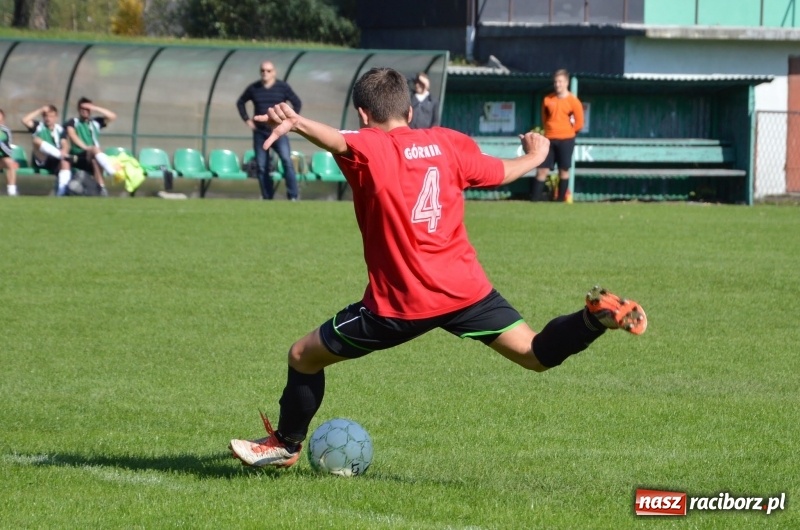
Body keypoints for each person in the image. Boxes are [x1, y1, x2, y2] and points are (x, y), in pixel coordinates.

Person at [228, 67, 647, 469]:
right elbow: (502, 172)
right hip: (466, 292)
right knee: (535, 353)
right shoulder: (447, 142)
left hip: (401, 305)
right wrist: (536, 154)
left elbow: (339, 142)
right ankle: (591, 319)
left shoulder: (372, 145)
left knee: (302, 356)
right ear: (410, 112)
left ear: (362, 114)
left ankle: (286, 445)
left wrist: (299, 123)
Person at [236, 60, 302, 201]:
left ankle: (293, 196)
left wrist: (289, 122)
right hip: (260, 133)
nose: (265, 73)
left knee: (286, 161)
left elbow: (297, 102)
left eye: (269, 70)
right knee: (261, 166)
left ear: (274, 72)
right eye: (263, 70)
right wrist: (247, 120)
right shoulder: (254, 88)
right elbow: (240, 102)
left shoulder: (282, 87)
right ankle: (268, 197)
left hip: (279, 131)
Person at [531, 69, 584, 202]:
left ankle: (560, 200)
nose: (557, 84)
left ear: (566, 83)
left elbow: (579, 123)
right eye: (555, 82)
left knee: (563, 170)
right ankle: (534, 200)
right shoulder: (548, 100)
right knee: (542, 169)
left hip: (566, 139)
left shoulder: (573, 101)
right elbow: (544, 119)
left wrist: (569, 132)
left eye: (560, 81)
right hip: (549, 139)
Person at [65, 97, 118, 196]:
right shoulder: (73, 122)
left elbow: (113, 116)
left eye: (88, 109)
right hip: (79, 155)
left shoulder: (95, 122)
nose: (85, 111)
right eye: (83, 109)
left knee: (95, 160)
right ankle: (111, 171)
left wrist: (95, 108)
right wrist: (86, 148)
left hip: (93, 155)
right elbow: (72, 135)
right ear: (78, 109)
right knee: (95, 150)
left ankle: (102, 189)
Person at [21, 104, 74, 196]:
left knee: (65, 163)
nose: (48, 118)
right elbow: (24, 120)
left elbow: (64, 144)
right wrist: (40, 109)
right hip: (42, 158)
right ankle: (61, 155)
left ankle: (61, 193)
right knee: (36, 140)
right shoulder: (38, 126)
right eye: (46, 116)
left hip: (55, 160)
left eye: (51, 116)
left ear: (56, 117)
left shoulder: (60, 129)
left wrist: (64, 150)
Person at [0, 108, 19, 196]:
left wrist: (0, 144)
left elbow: (8, 150)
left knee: (10, 163)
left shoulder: (5, 131)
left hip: (1, 160)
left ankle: (11, 191)